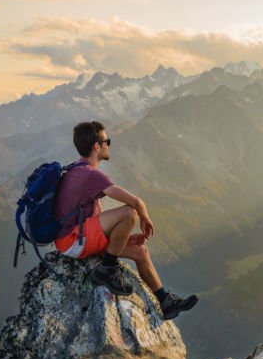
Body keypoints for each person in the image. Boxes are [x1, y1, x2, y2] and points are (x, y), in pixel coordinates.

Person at [53, 121, 198, 320]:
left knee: (141, 251)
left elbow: (96, 218)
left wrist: (120, 241)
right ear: (97, 146)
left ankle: (165, 302)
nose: (108, 145)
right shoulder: (89, 174)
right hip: (72, 240)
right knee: (129, 213)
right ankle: (106, 270)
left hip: (78, 238)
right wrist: (144, 217)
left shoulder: (76, 169)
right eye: (107, 141)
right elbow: (135, 202)